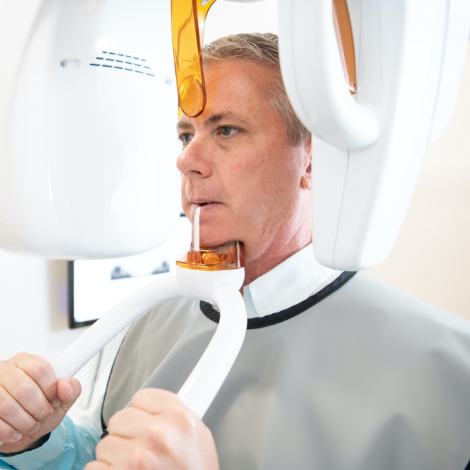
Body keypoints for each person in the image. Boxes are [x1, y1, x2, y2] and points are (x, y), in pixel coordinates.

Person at [1, 32, 470, 470]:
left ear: (313, 159)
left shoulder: (448, 370)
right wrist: (37, 441)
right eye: (187, 134)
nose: (185, 159)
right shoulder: (148, 321)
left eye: (226, 130)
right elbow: (98, 448)